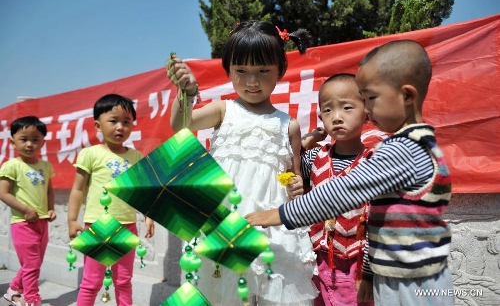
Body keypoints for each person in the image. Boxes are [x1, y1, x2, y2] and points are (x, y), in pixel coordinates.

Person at [246, 40, 454, 306]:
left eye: (371, 99)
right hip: (402, 274)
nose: (367, 109)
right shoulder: (418, 144)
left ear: (407, 95)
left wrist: (278, 215)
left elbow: (343, 191)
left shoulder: (404, 150)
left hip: (410, 282)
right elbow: (381, 225)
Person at [168, 20, 318, 306]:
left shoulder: (289, 126)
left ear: (280, 72)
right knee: (219, 292)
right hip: (223, 221)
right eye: (242, 71)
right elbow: (181, 123)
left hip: (273, 228)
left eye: (263, 71)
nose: (252, 81)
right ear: (229, 71)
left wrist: (297, 185)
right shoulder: (223, 110)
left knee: (275, 291)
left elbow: (293, 177)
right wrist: (185, 93)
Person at [67, 94, 155, 306]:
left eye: (126, 122)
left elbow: (141, 191)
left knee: (124, 281)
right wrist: (72, 219)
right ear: (97, 125)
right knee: (91, 281)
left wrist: (148, 215)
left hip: (128, 227)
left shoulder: (136, 157)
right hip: (98, 226)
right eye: (113, 121)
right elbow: (78, 189)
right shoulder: (90, 154)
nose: (120, 127)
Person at [298, 74, 374, 306]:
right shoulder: (313, 157)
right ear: (320, 117)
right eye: (328, 110)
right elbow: (285, 166)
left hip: (356, 265)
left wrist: (368, 274)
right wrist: (308, 140)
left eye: (347, 107)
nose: (337, 117)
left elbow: (380, 224)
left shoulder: (375, 164)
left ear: (367, 113)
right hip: (315, 261)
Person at [0, 116, 57, 306]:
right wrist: (25, 210)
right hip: (23, 223)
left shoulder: (45, 166)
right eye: (24, 139)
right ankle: (32, 299)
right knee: (32, 265)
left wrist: (50, 209)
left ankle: (13, 290)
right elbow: (3, 193)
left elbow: (49, 190)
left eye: (35, 139)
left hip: (42, 222)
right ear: (12, 141)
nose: (30, 144)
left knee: (33, 264)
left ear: (43, 142)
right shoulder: (12, 165)